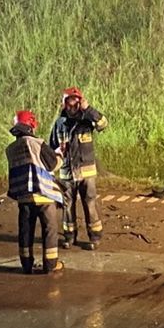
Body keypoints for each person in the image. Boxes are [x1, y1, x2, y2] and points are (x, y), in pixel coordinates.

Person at [48, 87, 108, 249]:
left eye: (76, 101)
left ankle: (94, 237)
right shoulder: (59, 124)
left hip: (86, 172)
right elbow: (51, 148)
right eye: (70, 101)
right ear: (64, 103)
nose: (73, 105)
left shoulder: (87, 120)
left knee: (89, 203)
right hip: (66, 172)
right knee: (68, 206)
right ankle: (69, 236)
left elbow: (103, 124)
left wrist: (88, 109)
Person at [7, 109, 64, 274]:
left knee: (25, 231)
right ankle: (50, 264)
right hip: (44, 195)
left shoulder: (11, 149)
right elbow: (53, 164)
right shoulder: (37, 143)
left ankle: (26, 264)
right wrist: (60, 154)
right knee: (50, 230)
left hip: (23, 196)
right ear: (31, 125)